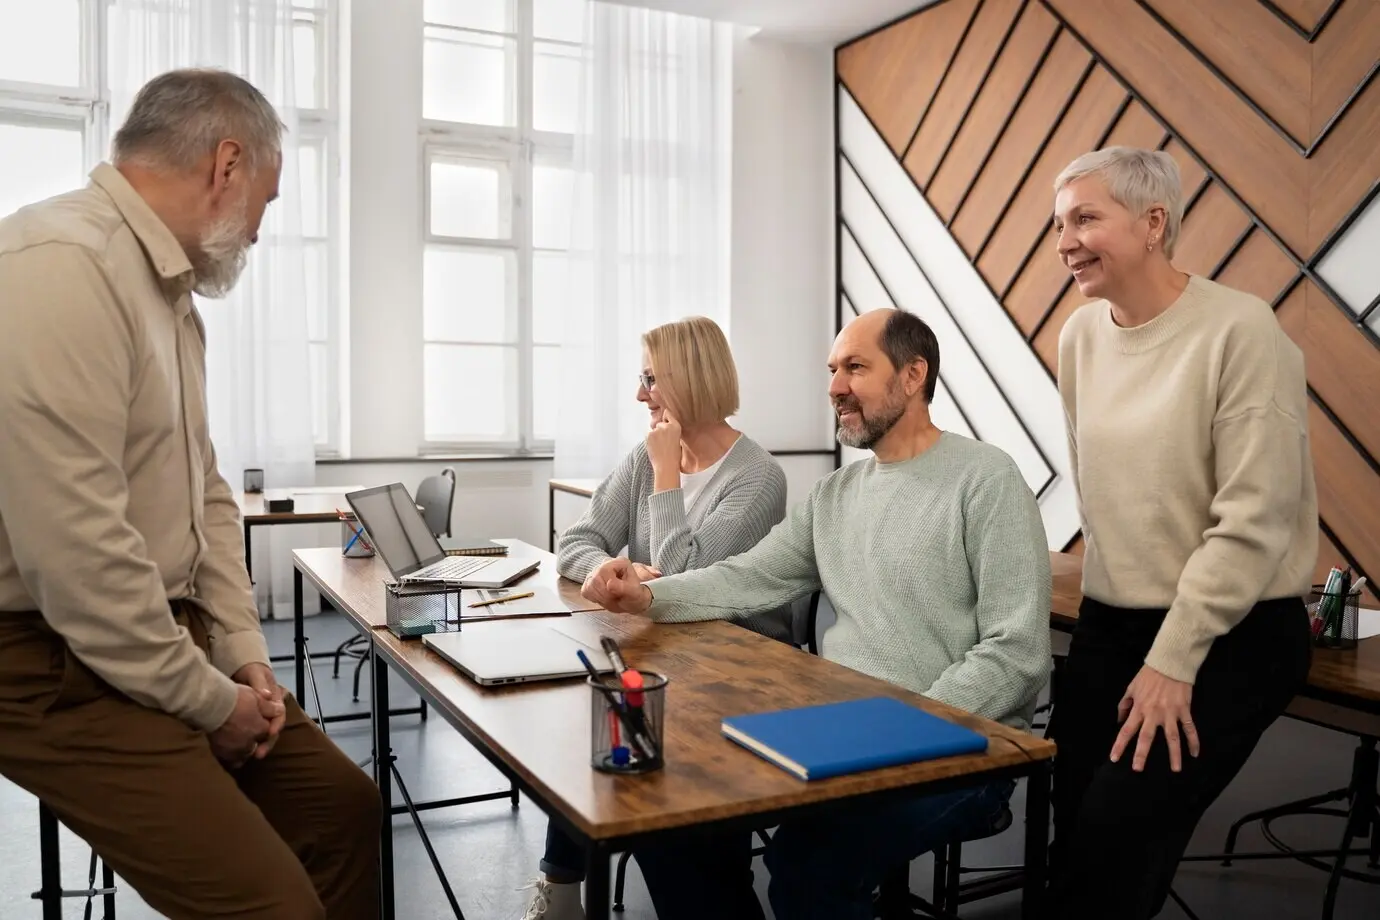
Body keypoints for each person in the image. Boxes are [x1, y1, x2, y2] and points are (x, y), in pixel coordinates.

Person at [0, 69, 379, 919]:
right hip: (47, 660)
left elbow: (206, 494)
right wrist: (211, 702)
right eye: (267, 203)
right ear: (228, 164)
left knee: (344, 811)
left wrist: (244, 652)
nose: (258, 230)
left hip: (159, 635)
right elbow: (76, 561)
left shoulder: (166, 296)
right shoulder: (61, 269)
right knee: (271, 904)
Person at [581, 308, 1053, 920]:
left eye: (856, 367)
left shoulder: (986, 480)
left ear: (914, 375)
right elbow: (750, 576)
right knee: (671, 821)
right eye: (832, 370)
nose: (834, 386)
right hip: (842, 730)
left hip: (963, 748)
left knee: (809, 869)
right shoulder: (835, 495)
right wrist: (648, 598)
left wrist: (900, 724)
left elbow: (1016, 653)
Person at [1047, 146, 1316, 919]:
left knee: (1116, 831)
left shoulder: (1241, 329)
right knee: (1074, 822)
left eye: (1085, 218)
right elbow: (1093, 485)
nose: (1065, 240)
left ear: (1153, 222)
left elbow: (1255, 519)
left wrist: (1174, 659)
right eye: (1059, 223)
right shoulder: (1080, 336)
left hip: (1233, 632)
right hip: (1114, 621)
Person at [522, 314, 791, 920]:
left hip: (736, 671)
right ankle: (561, 886)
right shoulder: (643, 457)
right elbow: (578, 539)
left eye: (651, 378)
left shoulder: (758, 477)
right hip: (660, 652)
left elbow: (692, 580)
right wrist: (613, 571)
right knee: (585, 728)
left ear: (690, 380)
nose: (639, 395)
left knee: (637, 764)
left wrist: (667, 471)